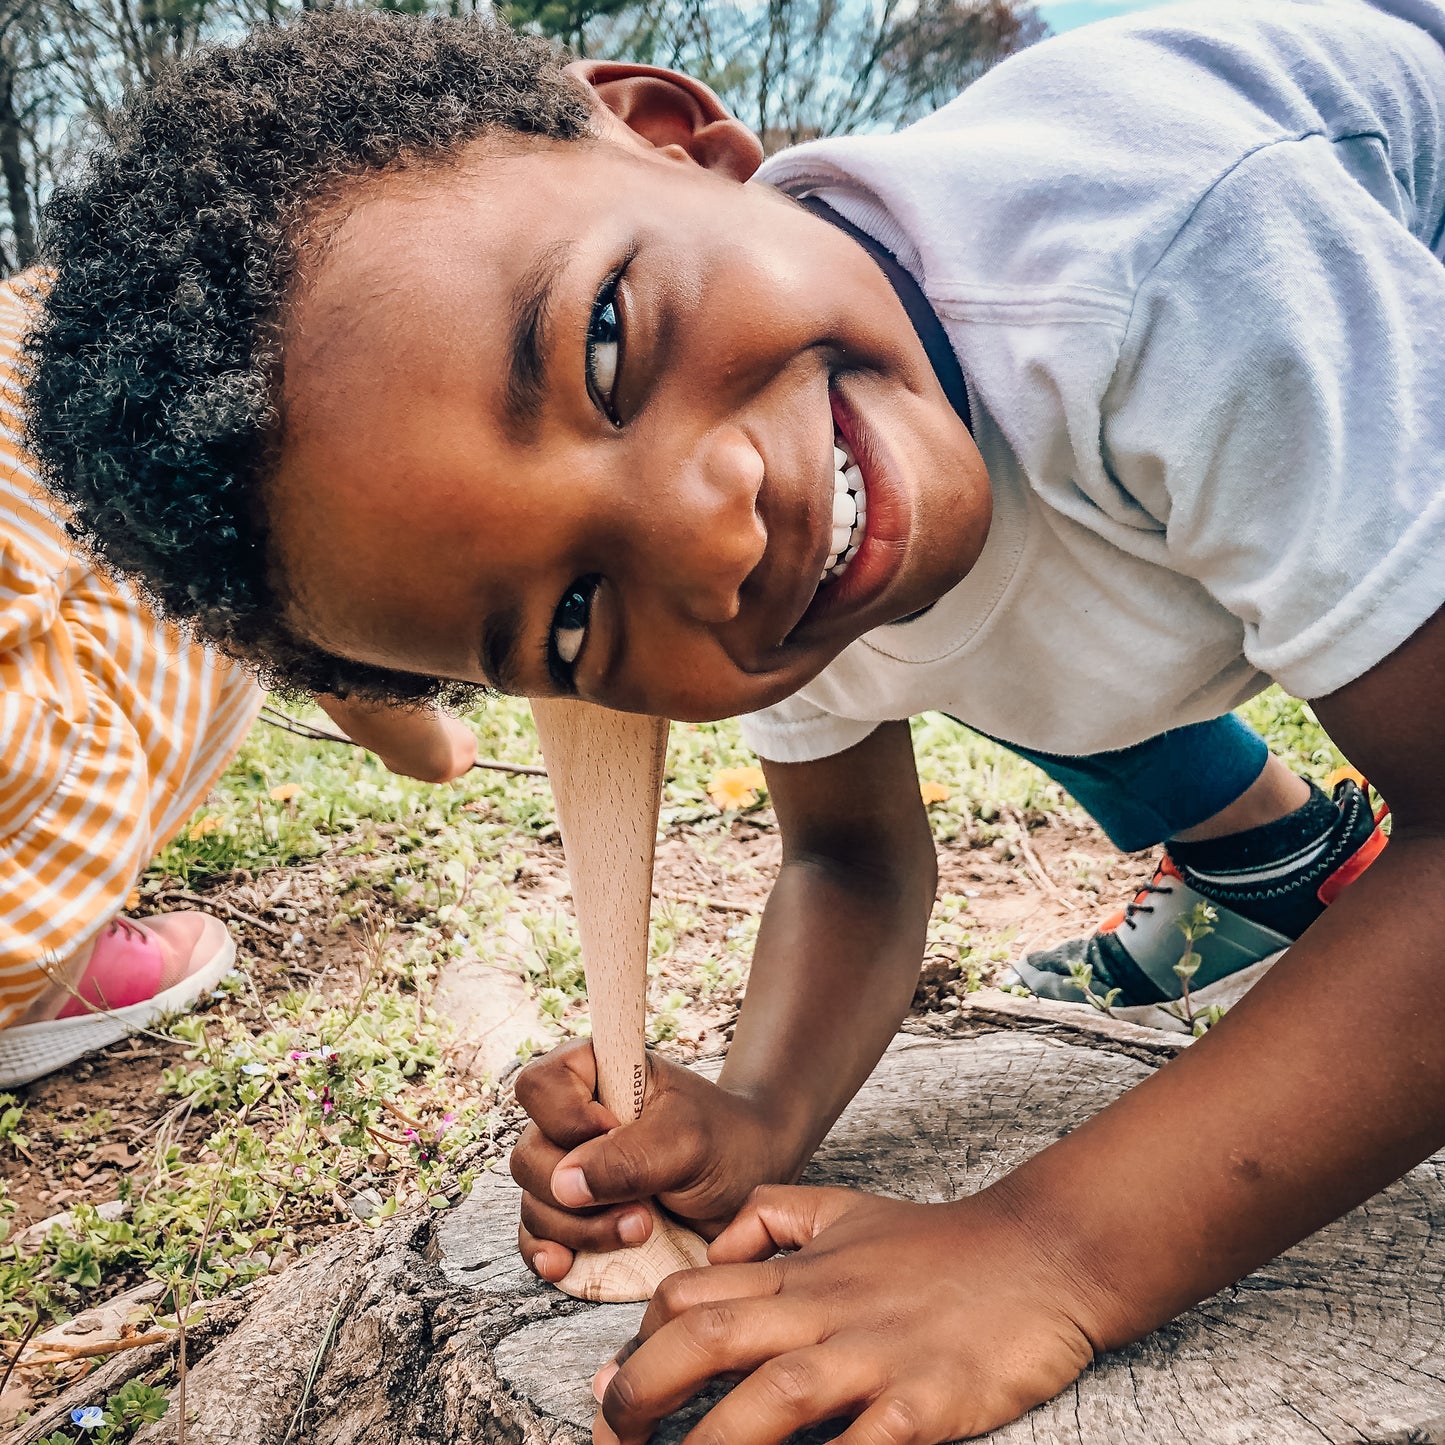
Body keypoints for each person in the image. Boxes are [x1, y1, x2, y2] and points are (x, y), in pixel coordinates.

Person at [17, 4, 1442, 1440]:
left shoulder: (1172, 264)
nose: (711, 534)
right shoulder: (773, 545)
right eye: (572, 614)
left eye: (606, 344)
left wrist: (1049, 1249)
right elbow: (849, 862)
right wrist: (758, 1109)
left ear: (673, 141)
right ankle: (1262, 856)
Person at [0, 266, 479, 1089]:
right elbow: (329, 645)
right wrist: (439, 744)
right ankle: (42, 958)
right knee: (216, 555)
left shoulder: (51, 309)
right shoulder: (236, 365)